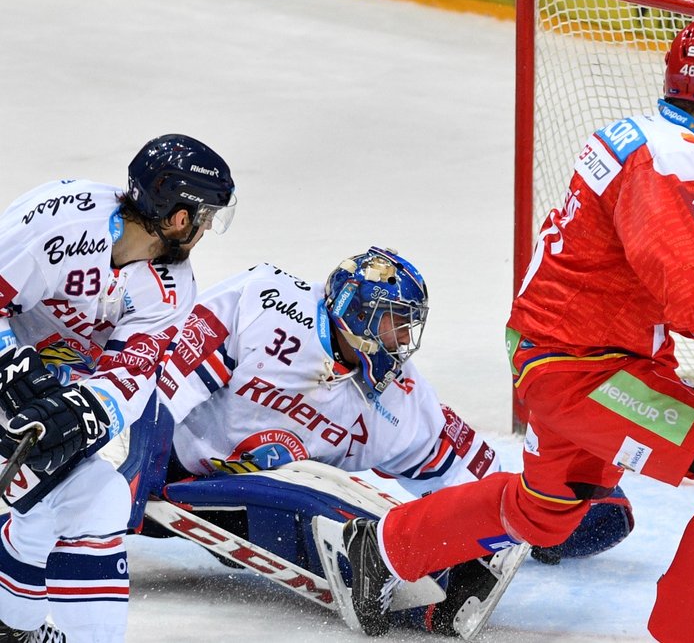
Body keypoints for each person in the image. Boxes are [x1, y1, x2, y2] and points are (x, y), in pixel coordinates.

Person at [337, 22, 694, 641]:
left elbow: (654, 276)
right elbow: (683, 275)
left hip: (555, 354)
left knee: (546, 512)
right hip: (588, 369)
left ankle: (385, 549)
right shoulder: (674, 160)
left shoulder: (640, 141)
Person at [139, 247, 631, 637]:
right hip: (166, 466)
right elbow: (164, 381)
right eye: (394, 318)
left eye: (409, 322)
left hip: (241, 509)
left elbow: (469, 481)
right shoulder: (267, 303)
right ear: (356, 310)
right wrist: (139, 469)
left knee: (335, 499)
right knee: (313, 481)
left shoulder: (402, 399)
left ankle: (432, 605)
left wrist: (550, 516)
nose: (404, 336)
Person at [0, 134, 236, 643]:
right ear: (178, 216)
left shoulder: (174, 288)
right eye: (205, 216)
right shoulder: (59, 220)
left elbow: (130, 376)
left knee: (97, 497)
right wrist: (11, 371)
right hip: (12, 379)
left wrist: (85, 412)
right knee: (55, 501)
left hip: (50, 397)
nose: (207, 228)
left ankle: (13, 625)